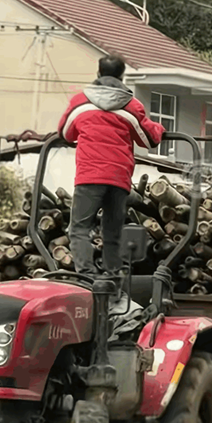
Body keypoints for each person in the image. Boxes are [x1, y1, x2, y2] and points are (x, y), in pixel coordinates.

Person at [56, 54, 165, 281]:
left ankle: (87, 276)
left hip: (89, 176)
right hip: (118, 178)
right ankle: (113, 276)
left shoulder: (80, 102)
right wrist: (160, 128)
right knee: (112, 232)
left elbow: (66, 133)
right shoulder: (131, 106)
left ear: (98, 73)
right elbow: (149, 139)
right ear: (122, 75)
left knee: (79, 229)